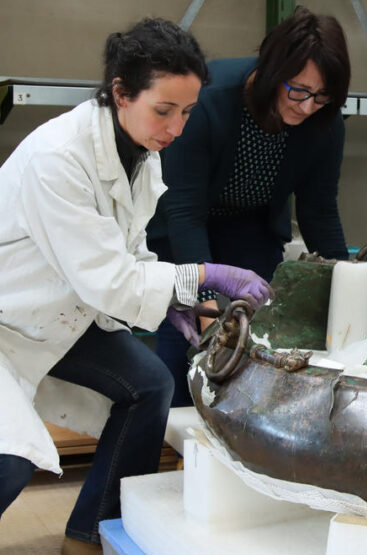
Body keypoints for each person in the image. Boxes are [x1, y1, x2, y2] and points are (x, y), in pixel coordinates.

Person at [0, 19, 272, 551]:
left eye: (187, 112)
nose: (176, 127)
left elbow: (129, 250)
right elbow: (106, 278)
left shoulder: (138, 153)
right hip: (9, 320)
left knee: (149, 385)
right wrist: (201, 276)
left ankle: (91, 532)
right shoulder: (58, 159)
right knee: (9, 459)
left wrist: (174, 298)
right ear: (121, 93)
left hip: (60, 318)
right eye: (164, 110)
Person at [147, 6, 352, 407]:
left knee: (257, 349)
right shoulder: (209, 100)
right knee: (188, 351)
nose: (307, 106)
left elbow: (320, 212)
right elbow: (184, 211)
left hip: (251, 230)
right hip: (184, 229)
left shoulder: (324, 123)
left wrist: (348, 287)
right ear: (272, 71)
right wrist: (207, 314)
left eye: (322, 96)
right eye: (298, 90)